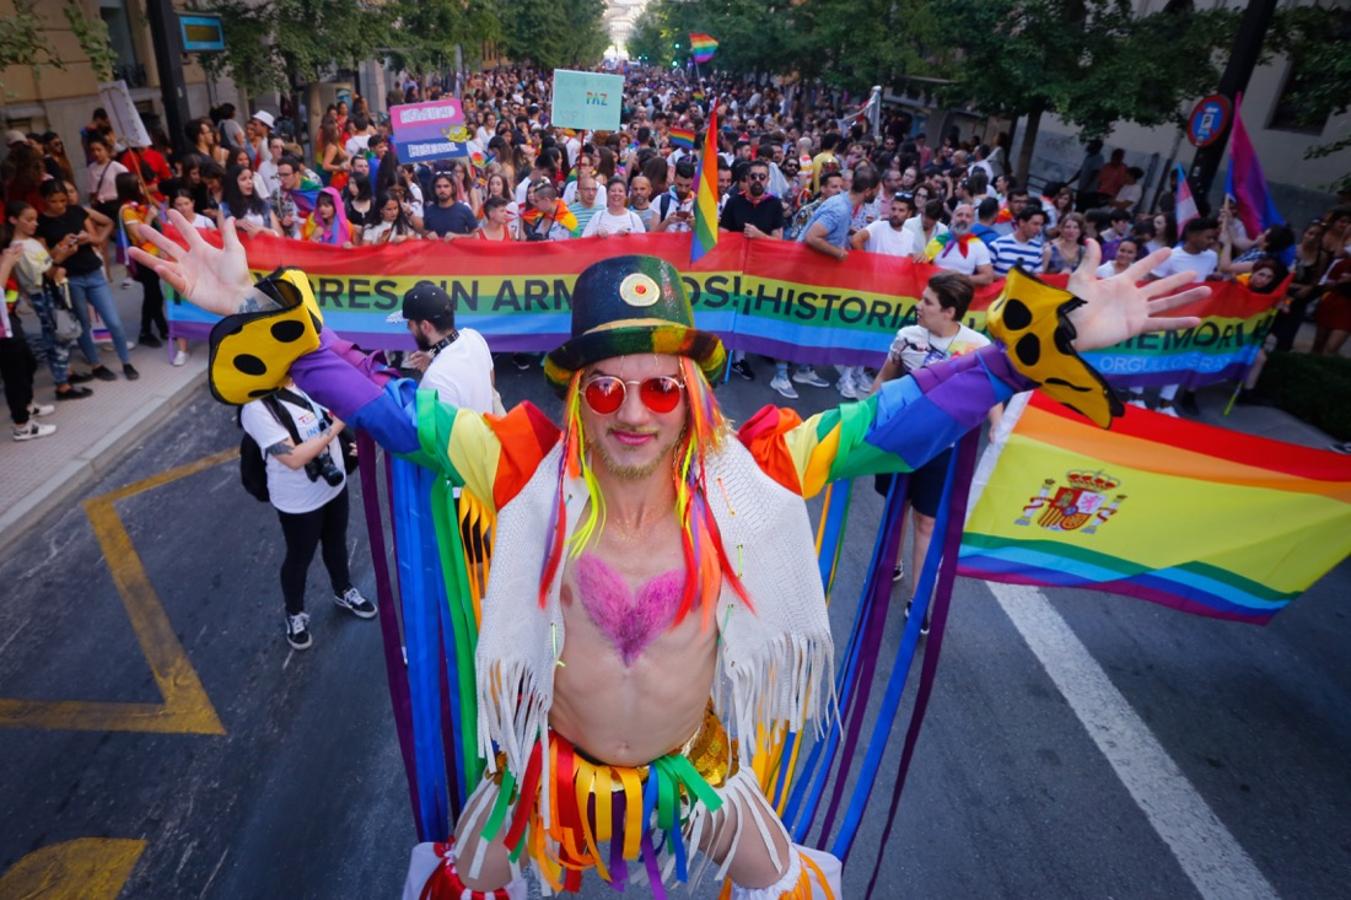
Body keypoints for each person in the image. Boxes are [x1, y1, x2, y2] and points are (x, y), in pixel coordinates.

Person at [137, 208, 1206, 900]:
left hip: (694, 777)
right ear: (573, 391)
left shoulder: (759, 472)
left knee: (787, 890)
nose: (635, 410)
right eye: (608, 384)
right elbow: (382, 409)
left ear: (694, 387)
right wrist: (256, 311)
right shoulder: (518, 467)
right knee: (458, 892)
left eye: (663, 382)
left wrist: (1032, 353)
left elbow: (902, 417)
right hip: (539, 778)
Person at [871, 273, 1000, 626]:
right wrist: (860, 418)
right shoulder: (906, 337)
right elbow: (886, 377)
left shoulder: (978, 347)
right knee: (897, 506)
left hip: (943, 449)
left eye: (927, 302)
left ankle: (919, 600)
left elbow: (992, 392)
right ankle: (892, 564)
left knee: (926, 521)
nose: (919, 306)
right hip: (900, 442)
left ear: (949, 311)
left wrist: (998, 427)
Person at [240, 378, 375, 649]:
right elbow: (293, 458)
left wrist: (353, 439)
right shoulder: (255, 408)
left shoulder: (307, 378)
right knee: (299, 557)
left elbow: (330, 412)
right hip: (297, 501)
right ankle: (295, 613)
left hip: (333, 487)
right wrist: (338, 426)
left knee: (336, 542)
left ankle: (343, 589)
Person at [35, 181, 136, 381]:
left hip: (93, 272)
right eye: (53, 201)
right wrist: (62, 249)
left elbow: (107, 224)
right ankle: (96, 363)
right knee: (82, 324)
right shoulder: (41, 223)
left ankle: (126, 361)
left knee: (113, 321)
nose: (60, 205)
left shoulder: (77, 211)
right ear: (44, 200)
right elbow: (46, 260)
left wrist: (90, 238)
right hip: (69, 278)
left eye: (63, 200)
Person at [5, 201, 93, 402]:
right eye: (28, 220)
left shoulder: (31, 242)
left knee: (58, 333)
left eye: (35, 219)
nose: (34, 223)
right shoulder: (18, 248)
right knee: (57, 335)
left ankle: (66, 374)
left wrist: (61, 247)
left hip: (51, 291)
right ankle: (62, 385)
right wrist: (61, 258)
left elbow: (47, 263)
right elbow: (44, 275)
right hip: (44, 294)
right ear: (13, 220)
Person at [394, 281, 497, 413]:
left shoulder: (433, 379)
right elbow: (490, 387)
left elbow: (444, 432)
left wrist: (432, 371)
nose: (409, 330)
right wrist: (432, 363)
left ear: (425, 326)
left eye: (410, 325)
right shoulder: (475, 337)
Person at [0, 244, 58, 440]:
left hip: (8, 319)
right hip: (3, 330)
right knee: (14, 376)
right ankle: (22, 426)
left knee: (28, 363)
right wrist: (7, 263)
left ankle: (27, 405)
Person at [115, 173, 171, 349]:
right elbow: (139, 236)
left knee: (152, 294)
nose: (142, 187)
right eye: (138, 184)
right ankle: (152, 331)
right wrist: (148, 218)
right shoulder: (127, 210)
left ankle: (155, 329)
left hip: (152, 255)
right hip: (141, 257)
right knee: (153, 294)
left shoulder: (140, 205)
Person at [925, 203, 995, 285]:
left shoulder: (978, 245)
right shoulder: (938, 241)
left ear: (973, 222)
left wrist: (959, 279)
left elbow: (988, 278)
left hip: (959, 293)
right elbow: (923, 266)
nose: (963, 219)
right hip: (935, 290)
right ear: (952, 219)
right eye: (959, 215)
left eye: (968, 216)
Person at [221, 165, 280, 237]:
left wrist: (262, 230)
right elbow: (222, 236)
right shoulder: (224, 207)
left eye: (250, 178)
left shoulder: (263, 204)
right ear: (234, 183)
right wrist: (234, 223)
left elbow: (279, 234)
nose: (249, 182)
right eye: (243, 179)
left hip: (264, 246)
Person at [989, 206, 1047, 277]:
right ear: (1022, 222)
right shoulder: (998, 245)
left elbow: (1038, 275)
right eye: (1035, 224)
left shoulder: (1037, 247)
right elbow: (987, 275)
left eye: (1041, 225)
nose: (1039, 229)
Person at [421, 173, 478, 240]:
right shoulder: (429, 211)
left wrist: (459, 236)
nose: (442, 190)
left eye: (446, 186)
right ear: (434, 189)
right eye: (438, 186)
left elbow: (476, 235)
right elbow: (423, 234)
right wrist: (427, 234)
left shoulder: (464, 209)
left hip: (459, 250)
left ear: (453, 188)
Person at [84, 136, 128, 223]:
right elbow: (91, 192)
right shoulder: (91, 168)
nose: (96, 153)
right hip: (100, 206)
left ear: (106, 149)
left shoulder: (117, 167)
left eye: (99, 150)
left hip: (116, 205)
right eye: (93, 150)